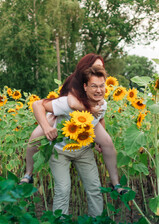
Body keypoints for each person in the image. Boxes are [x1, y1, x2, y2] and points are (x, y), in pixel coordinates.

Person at [20, 53, 124, 195]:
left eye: (101, 67)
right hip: (62, 114)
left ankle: (115, 182)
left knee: (107, 143)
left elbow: (100, 115)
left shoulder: (98, 84)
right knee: (35, 138)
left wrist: (99, 137)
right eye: (95, 66)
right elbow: (71, 103)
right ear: (86, 67)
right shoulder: (75, 81)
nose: (99, 69)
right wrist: (47, 127)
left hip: (88, 118)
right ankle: (28, 174)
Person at [33, 65, 107, 216]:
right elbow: (37, 104)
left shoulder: (103, 105)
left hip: (83, 150)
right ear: (85, 87)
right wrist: (47, 127)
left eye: (101, 86)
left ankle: (97, 220)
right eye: (94, 86)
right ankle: (61, 221)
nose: (99, 90)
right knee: (63, 189)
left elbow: (100, 119)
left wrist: (100, 139)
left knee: (95, 188)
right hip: (60, 151)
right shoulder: (68, 103)